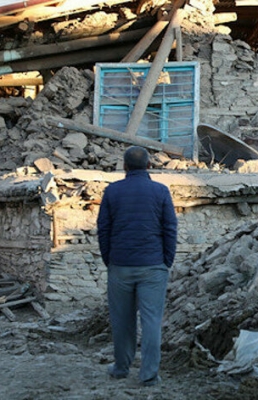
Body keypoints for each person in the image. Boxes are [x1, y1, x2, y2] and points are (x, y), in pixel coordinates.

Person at [97, 146, 178, 387]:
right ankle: (149, 374)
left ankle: (121, 367)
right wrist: (166, 260)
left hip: (120, 265)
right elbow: (170, 229)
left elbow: (104, 229)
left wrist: (109, 259)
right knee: (152, 321)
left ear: (125, 166)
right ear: (149, 166)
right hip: (153, 266)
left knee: (122, 319)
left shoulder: (112, 192)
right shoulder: (160, 191)